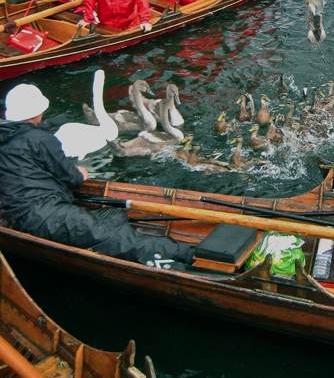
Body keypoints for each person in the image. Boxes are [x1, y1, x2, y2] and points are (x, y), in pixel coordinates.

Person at [0, 83, 197, 266]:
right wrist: (79, 173)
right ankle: (190, 254)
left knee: (113, 214)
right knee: (117, 239)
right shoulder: (39, 138)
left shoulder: (6, 139)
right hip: (45, 215)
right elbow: (72, 178)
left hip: (19, 213)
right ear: (36, 113)